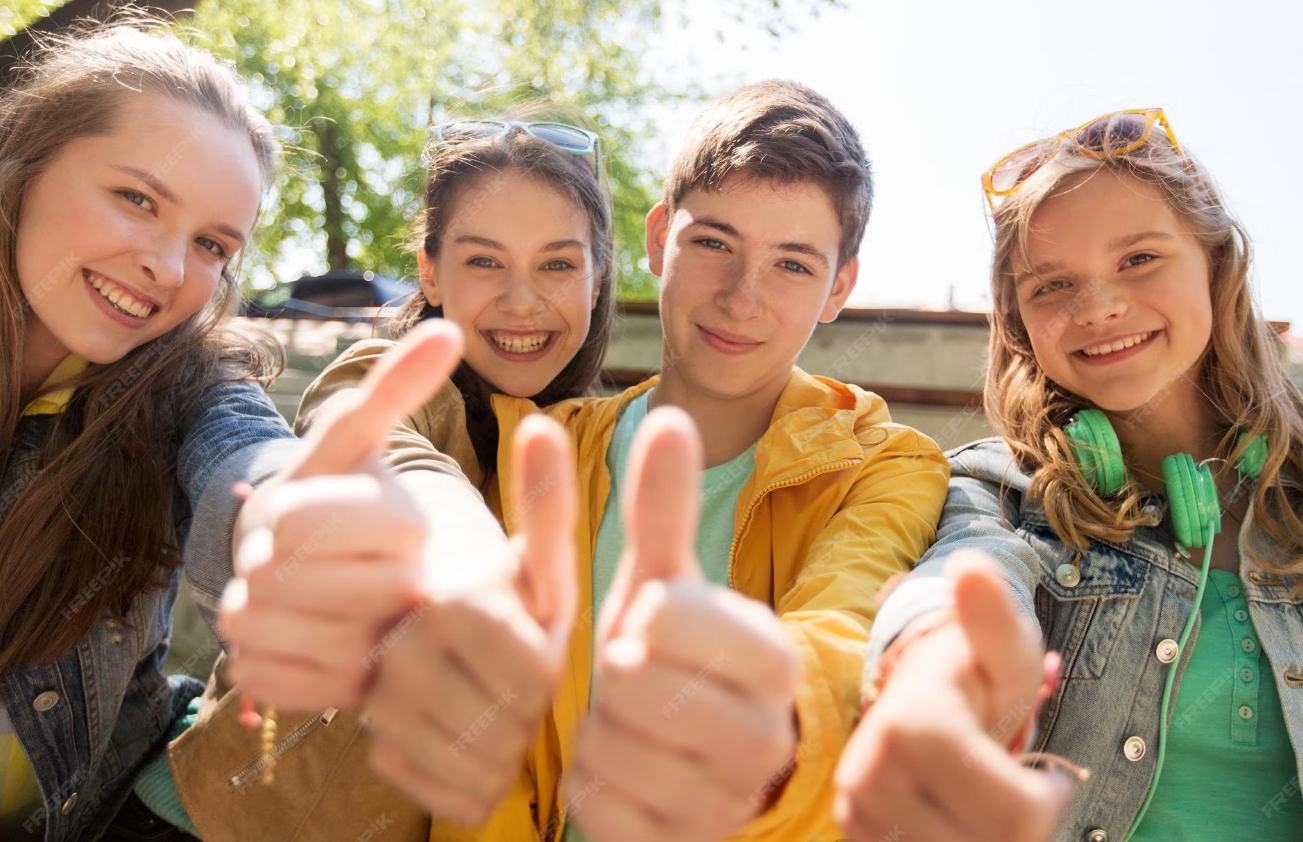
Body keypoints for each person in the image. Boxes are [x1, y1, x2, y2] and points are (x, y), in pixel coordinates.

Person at [361, 80, 950, 842]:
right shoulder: (541, 449)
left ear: (839, 286)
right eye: (714, 244)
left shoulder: (886, 467)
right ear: (658, 237)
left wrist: (764, 709)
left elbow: (845, 621)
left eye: (792, 265)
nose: (741, 297)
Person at [835, 109, 1303, 842]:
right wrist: (932, 677)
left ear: (1215, 263)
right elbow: (966, 578)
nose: (1098, 308)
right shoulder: (997, 490)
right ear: (1019, 322)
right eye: (1051, 285)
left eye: (1138, 259)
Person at [166, 113, 617, 842]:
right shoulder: (384, 378)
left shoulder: (595, 446)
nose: (522, 300)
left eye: (558, 265)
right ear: (430, 272)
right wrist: (470, 565)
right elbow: (385, 455)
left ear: (596, 280)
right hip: (210, 820)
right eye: (484, 261)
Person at [0, 20, 296, 842]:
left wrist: (302, 519)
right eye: (138, 199)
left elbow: (249, 456)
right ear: (27, 164)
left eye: (211, 244)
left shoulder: (187, 386)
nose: (168, 268)